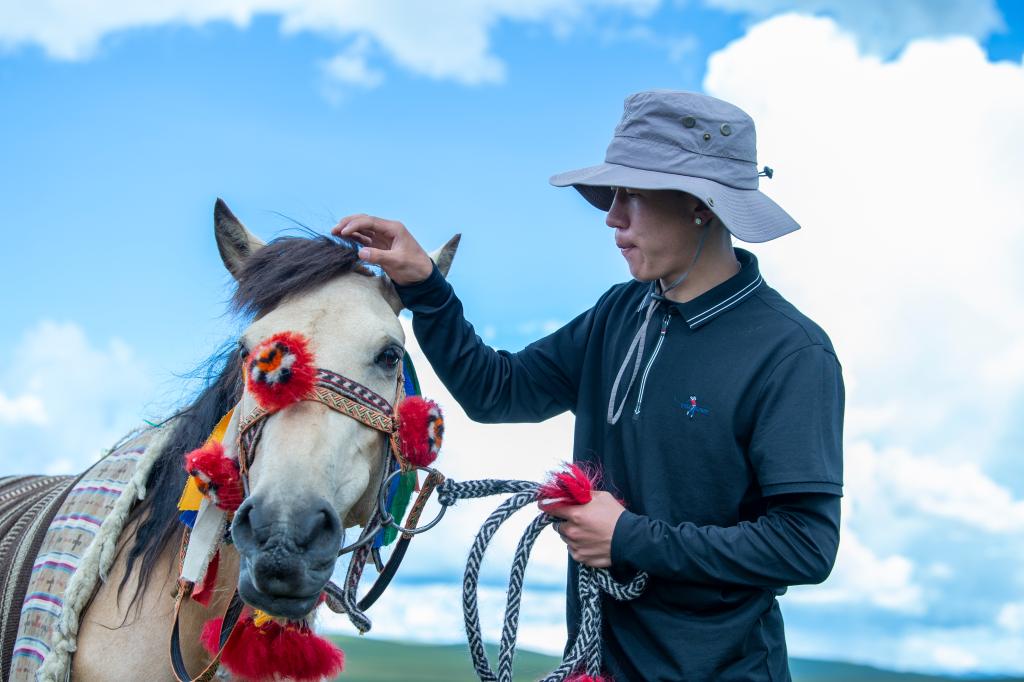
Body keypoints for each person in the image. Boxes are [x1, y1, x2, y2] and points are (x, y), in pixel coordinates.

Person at [334, 90, 844, 682]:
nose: (612, 216)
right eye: (613, 194)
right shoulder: (620, 312)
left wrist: (630, 539)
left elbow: (805, 545)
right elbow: (497, 391)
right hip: (596, 666)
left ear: (701, 205)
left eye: (633, 194)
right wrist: (425, 287)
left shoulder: (791, 353)